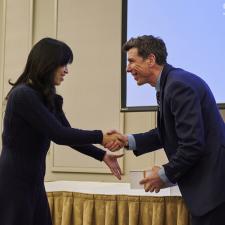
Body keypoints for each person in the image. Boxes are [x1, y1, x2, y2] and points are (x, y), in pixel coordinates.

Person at [0, 37, 124, 225]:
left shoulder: (47, 96)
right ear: (47, 64)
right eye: (63, 64)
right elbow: (59, 135)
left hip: (33, 183)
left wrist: (102, 155)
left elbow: (67, 133)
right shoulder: (23, 95)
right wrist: (101, 137)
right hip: (14, 184)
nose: (66, 70)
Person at [107, 35, 225, 225]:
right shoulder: (171, 83)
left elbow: (192, 145)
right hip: (210, 188)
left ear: (151, 59)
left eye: (131, 61)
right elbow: (166, 133)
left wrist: (163, 174)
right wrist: (127, 140)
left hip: (213, 189)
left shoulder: (177, 86)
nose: (128, 68)